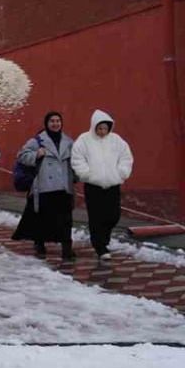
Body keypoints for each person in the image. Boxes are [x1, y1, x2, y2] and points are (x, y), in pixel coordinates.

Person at [12, 111, 77, 260]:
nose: (55, 124)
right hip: (44, 186)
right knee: (43, 218)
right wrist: (36, 155)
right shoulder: (37, 141)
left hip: (63, 186)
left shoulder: (69, 142)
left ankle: (67, 248)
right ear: (47, 124)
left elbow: (76, 161)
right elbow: (21, 155)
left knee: (66, 219)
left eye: (58, 121)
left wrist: (77, 176)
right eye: (52, 121)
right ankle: (39, 243)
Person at [71, 110, 133, 263]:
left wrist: (121, 173)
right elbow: (77, 159)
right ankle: (100, 247)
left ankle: (103, 240)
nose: (102, 131)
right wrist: (87, 175)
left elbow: (126, 157)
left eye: (105, 128)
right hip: (93, 186)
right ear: (94, 127)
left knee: (113, 215)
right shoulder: (84, 140)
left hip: (113, 184)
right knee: (96, 217)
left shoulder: (116, 140)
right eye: (99, 128)